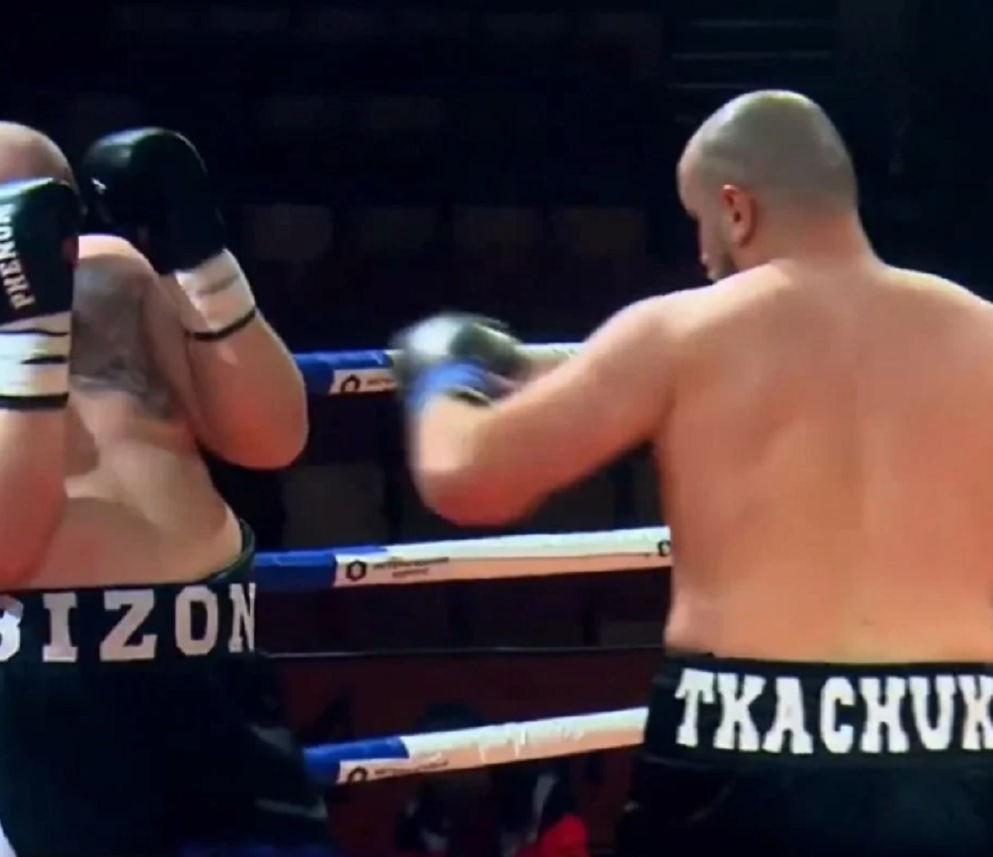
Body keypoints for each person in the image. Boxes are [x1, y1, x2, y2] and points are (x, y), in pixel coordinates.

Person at [389, 90, 993, 856]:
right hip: (950, 741)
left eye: (699, 219)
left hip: (737, 742)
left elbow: (466, 478)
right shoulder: (982, 333)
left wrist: (443, 379)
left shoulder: (682, 330)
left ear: (736, 209)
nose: (703, 252)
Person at [0, 121, 326, 857]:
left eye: (59, 231)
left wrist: (203, 260)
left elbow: (272, 437)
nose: (54, 257)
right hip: (2, 696)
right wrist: (29, 329)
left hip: (208, 678)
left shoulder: (115, 277)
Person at [393, 705, 590, 857]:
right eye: (433, 765)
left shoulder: (544, 799)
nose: (448, 775)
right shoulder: (419, 818)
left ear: (485, 757)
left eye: (456, 758)